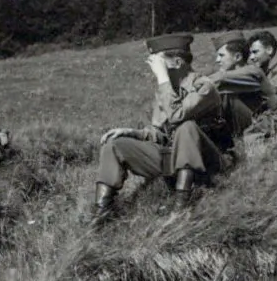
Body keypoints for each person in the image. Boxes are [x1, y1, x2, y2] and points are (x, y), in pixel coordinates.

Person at [88, 34, 228, 225]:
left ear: (177, 62)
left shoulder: (204, 87)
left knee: (186, 128)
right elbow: (158, 133)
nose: (153, 67)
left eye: (158, 61)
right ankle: (101, 214)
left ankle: (181, 208)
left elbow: (177, 116)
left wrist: (163, 78)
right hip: (175, 159)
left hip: (208, 162)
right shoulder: (166, 91)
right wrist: (131, 132)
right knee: (114, 145)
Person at [207, 30, 271, 140]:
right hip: (245, 123)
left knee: (225, 95)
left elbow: (220, 79)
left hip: (262, 124)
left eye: (221, 55)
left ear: (237, 57)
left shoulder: (253, 72)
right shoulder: (233, 76)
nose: (217, 60)